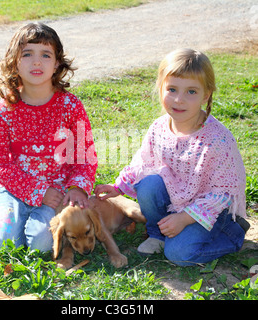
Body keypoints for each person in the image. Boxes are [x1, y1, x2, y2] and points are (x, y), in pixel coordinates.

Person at [94, 48, 249, 266]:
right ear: (161, 89)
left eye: (191, 92)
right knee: (148, 184)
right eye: (172, 89)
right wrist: (118, 187)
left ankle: (232, 236)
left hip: (210, 213)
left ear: (206, 95)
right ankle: (158, 234)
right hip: (176, 201)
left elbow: (222, 194)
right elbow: (143, 162)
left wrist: (185, 218)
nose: (179, 99)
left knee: (179, 254)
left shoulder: (218, 140)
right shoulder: (159, 127)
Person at [0, 23, 98, 252]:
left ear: (57, 64)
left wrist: (77, 188)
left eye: (46, 55)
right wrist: (37, 191)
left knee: (42, 245)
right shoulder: (5, 110)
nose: (37, 62)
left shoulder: (70, 106)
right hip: (16, 188)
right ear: (14, 61)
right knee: (4, 243)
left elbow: (85, 155)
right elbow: (0, 163)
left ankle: (24, 221)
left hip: (57, 190)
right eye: (27, 54)